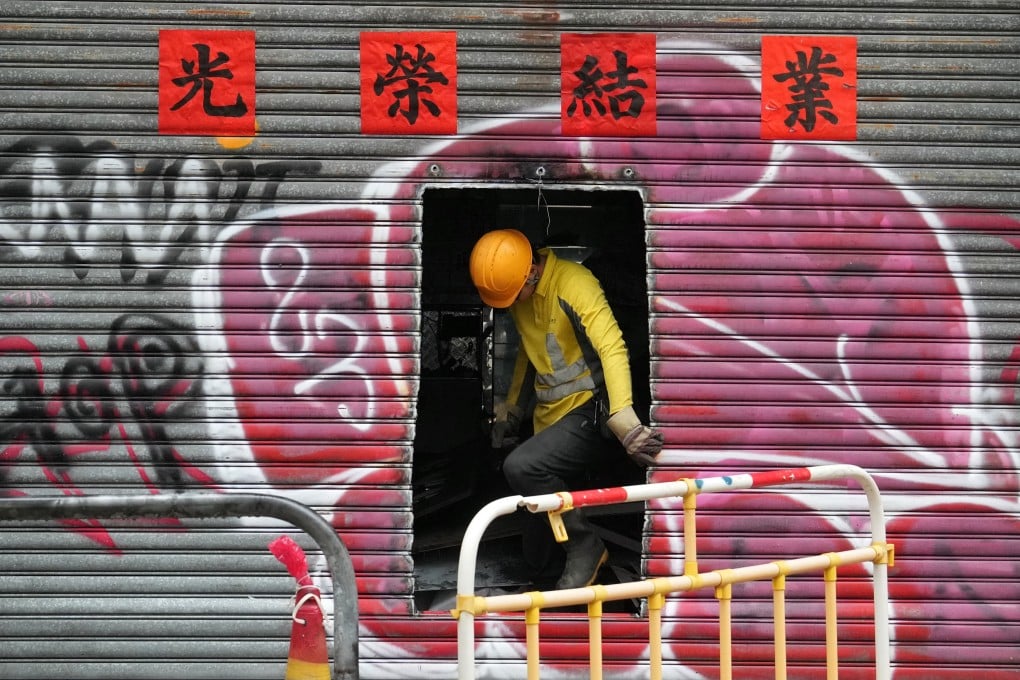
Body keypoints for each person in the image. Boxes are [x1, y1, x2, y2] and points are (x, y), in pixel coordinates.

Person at [469, 228, 664, 590]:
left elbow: (612, 347)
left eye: (513, 294)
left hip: (590, 410)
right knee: (535, 533)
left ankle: (585, 546)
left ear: (531, 272)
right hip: (551, 417)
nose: (511, 304)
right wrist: (512, 410)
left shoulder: (575, 283)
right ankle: (547, 594)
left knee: (523, 466)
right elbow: (528, 354)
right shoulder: (522, 295)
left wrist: (624, 417)